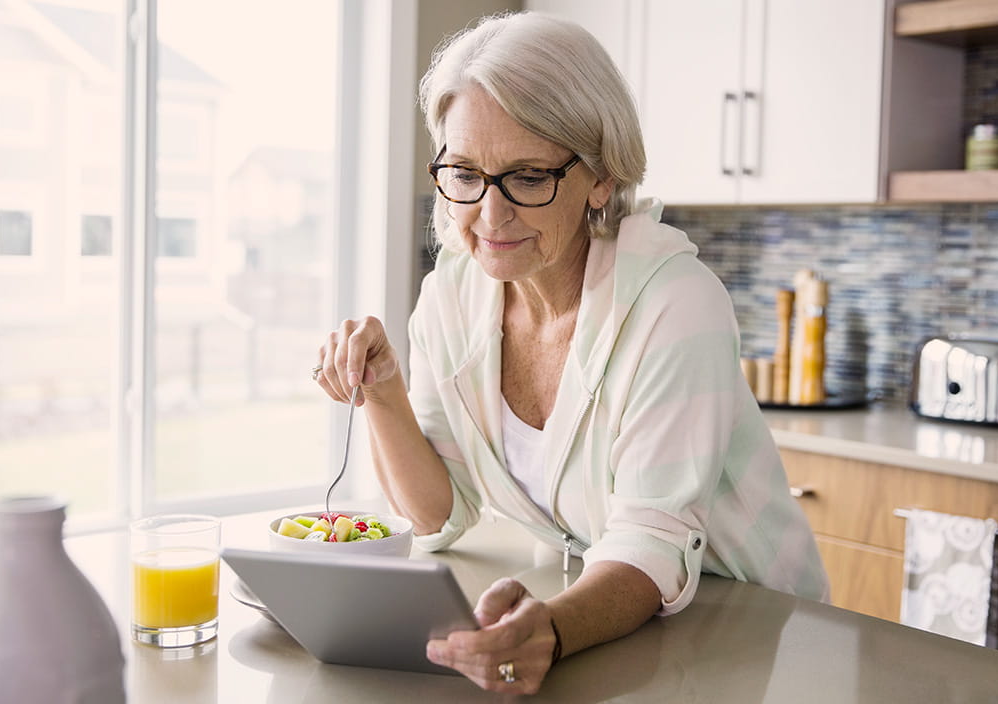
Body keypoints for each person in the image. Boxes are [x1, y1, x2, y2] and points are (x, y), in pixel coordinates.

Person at [312, 11, 828, 694]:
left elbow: (653, 538)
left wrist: (547, 630)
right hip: (622, 624)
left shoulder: (675, 305)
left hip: (753, 628)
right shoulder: (452, 296)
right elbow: (440, 511)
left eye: (527, 177)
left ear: (602, 178)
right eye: (464, 173)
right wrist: (383, 394)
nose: (489, 217)